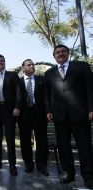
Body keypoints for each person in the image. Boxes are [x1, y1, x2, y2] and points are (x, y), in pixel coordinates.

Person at [45, 44, 93, 188]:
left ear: (68, 53)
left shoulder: (82, 67)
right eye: (57, 52)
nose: (60, 54)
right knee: (63, 146)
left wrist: (91, 108)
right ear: (54, 56)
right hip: (60, 116)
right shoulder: (49, 73)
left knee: (84, 146)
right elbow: (47, 95)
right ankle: (68, 172)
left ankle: (88, 175)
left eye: (63, 52)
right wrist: (48, 110)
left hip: (80, 114)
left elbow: (90, 89)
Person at [18, 59, 49, 176]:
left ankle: (41, 165)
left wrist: (48, 111)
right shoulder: (19, 82)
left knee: (42, 140)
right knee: (25, 140)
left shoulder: (42, 80)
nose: (32, 66)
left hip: (39, 114)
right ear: (23, 68)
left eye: (32, 64)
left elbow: (46, 97)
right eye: (28, 64)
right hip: (24, 115)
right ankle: (29, 164)